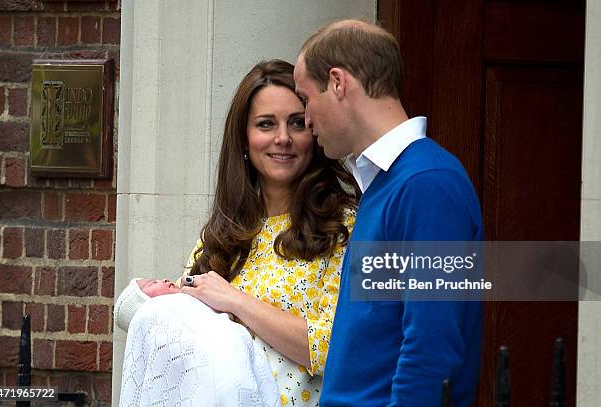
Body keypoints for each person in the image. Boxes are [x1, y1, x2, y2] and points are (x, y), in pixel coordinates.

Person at [293, 20, 483, 406]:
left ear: (337, 83)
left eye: (305, 98)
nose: (306, 120)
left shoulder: (427, 183)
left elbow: (432, 347)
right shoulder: (386, 183)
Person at [178, 59, 358, 406]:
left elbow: (330, 349)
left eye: (296, 123)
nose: (282, 138)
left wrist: (235, 301)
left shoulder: (344, 227)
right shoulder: (221, 235)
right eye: (266, 124)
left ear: (314, 130)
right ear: (244, 141)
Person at [114, 278, 280, 407]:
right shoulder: (156, 315)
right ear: (142, 304)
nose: (164, 279)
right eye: (153, 283)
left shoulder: (193, 300)